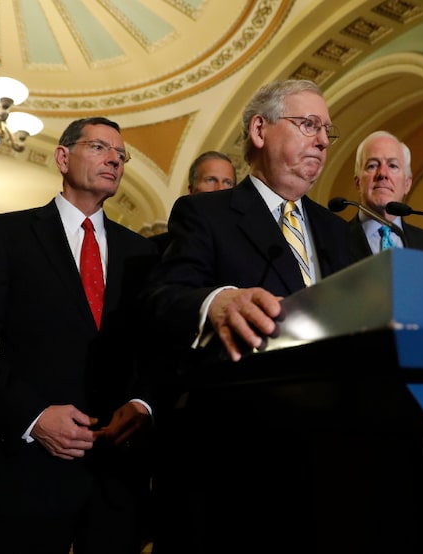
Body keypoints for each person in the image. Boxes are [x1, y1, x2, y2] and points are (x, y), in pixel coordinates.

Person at [142, 79, 352, 553]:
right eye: (308, 124)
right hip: (238, 454)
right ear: (260, 129)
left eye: (326, 130)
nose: (321, 139)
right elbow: (160, 297)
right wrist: (214, 301)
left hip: (335, 447)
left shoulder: (338, 231)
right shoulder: (206, 213)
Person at [0, 116, 158, 554]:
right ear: (63, 157)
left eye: (122, 155)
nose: (115, 159)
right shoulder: (4, 234)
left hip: (114, 476)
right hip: (25, 470)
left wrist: (142, 403)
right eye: (100, 147)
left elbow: (153, 349)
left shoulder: (143, 252)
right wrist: (33, 417)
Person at [347, 130, 423, 258]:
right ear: (358, 183)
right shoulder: (334, 242)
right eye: (372, 165)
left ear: (407, 183)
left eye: (393, 166)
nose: (383, 174)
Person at [150, 150, 237, 253]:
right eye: (211, 180)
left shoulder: (248, 245)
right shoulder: (156, 248)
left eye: (227, 183)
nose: (220, 188)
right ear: (191, 190)